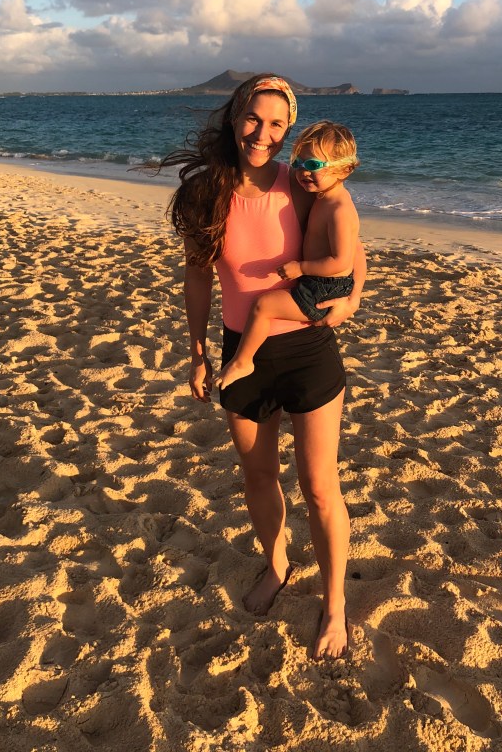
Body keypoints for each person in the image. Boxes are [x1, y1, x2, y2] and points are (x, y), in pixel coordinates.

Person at [161, 74, 365, 659]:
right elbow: (197, 276)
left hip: (307, 351)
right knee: (258, 476)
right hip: (240, 352)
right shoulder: (206, 193)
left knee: (320, 487)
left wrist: (352, 300)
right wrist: (197, 351)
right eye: (254, 118)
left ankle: (334, 604)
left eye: (277, 124)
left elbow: (352, 247)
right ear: (234, 117)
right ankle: (276, 565)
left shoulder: (300, 183)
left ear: (289, 130)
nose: (263, 134)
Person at [218, 121, 360, 391]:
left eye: (313, 165)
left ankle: (244, 361)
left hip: (324, 287)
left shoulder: (339, 209)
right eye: (298, 163)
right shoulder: (322, 197)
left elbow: (344, 259)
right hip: (320, 283)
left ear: (345, 169)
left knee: (263, 306)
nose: (303, 172)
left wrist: (301, 268)